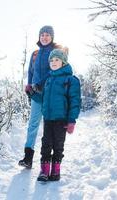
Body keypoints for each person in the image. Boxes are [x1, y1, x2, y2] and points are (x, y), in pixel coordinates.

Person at [19, 25, 60, 169]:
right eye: (42, 34)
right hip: (36, 95)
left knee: (50, 128)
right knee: (33, 125)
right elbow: (31, 71)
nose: (44, 37)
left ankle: (49, 161)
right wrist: (29, 85)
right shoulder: (35, 54)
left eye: (47, 34)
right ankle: (28, 158)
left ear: (52, 37)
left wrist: (41, 84)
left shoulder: (56, 52)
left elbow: (54, 70)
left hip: (50, 95)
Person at [37, 49, 81, 182]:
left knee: (58, 145)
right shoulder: (49, 80)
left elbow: (75, 101)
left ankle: (55, 171)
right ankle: (44, 171)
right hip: (48, 118)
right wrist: (32, 93)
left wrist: (72, 120)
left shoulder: (70, 80)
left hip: (61, 119)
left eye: (57, 59)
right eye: (51, 60)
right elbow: (43, 98)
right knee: (46, 143)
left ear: (63, 62)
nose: (53, 62)